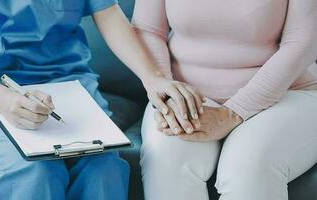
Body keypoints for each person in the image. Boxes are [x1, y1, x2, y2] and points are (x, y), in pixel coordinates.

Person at [0, 0, 203, 199]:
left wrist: (152, 78)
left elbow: (109, 15)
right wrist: (2, 98)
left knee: (103, 169)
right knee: (34, 171)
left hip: (66, 84)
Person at [133, 0, 317, 199]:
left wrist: (233, 112)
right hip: (185, 93)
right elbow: (147, 29)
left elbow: (302, 43)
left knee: (249, 164)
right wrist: (168, 92)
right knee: (165, 157)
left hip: (286, 94)